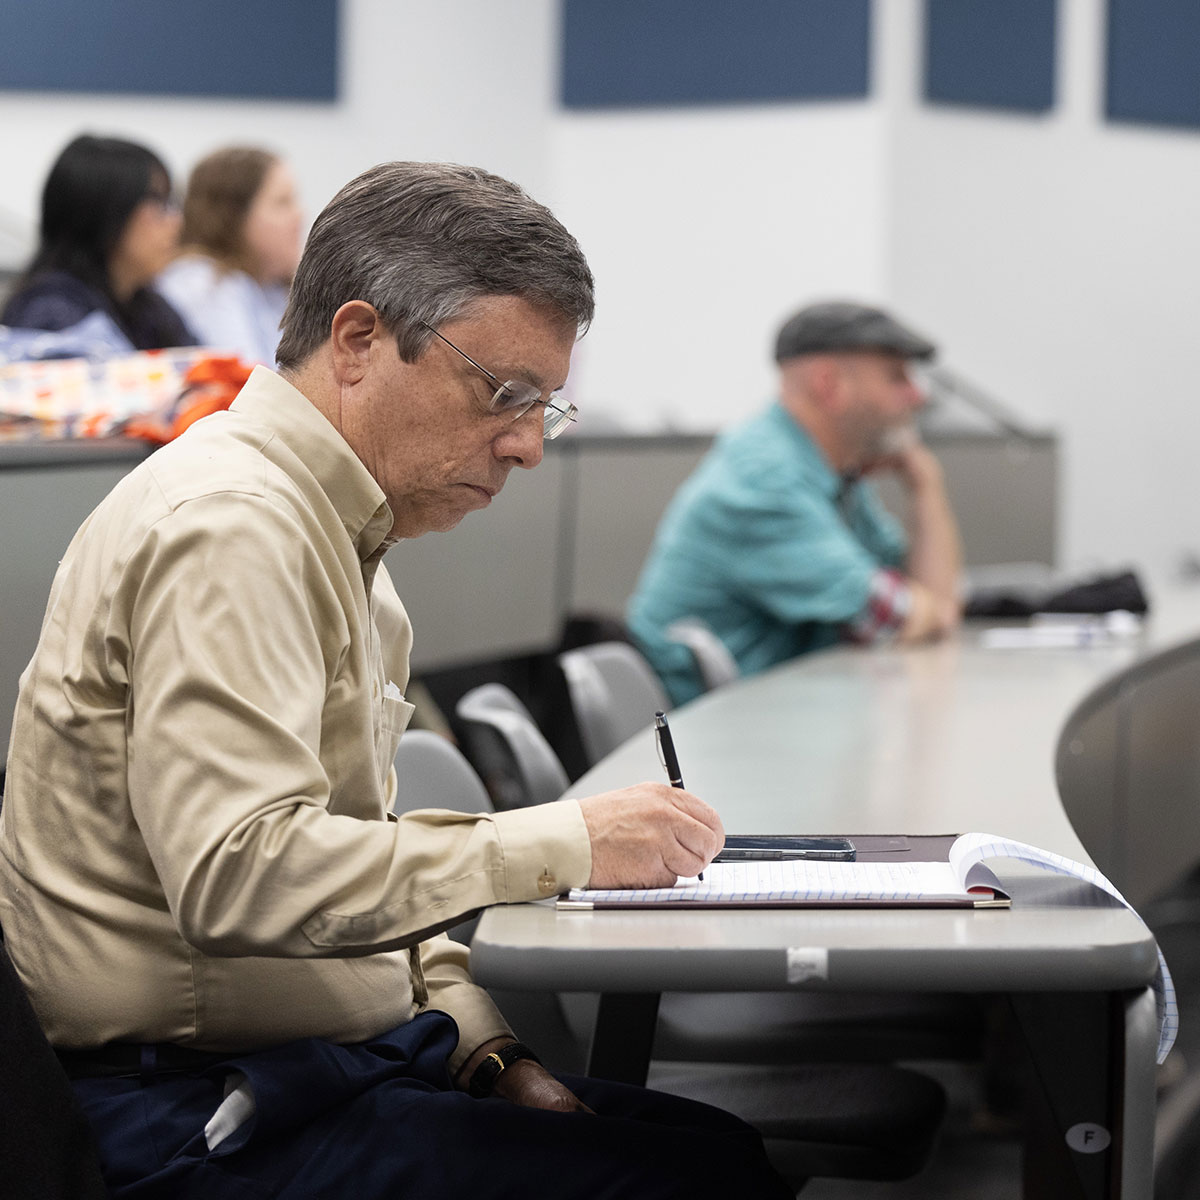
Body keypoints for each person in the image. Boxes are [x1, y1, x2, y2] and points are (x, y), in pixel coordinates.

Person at [0, 161, 791, 1199]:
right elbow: (243, 874)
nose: (525, 447)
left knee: (709, 1154)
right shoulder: (233, 526)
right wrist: (567, 841)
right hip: (188, 1111)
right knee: (703, 1174)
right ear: (361, 340)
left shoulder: (345, 553)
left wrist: (491, 1057)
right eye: (504, 394)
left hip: (316, 1066)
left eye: (544, 408)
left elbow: (363, 893)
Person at [627, 300, 963, 704]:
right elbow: (906, 617)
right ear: (829, 385)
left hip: (774, 723)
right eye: (897, 376)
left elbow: (932, 601)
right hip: (705, 742)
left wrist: (925, 484)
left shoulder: (829, 473)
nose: (917, 395)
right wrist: (930, 610)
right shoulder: (765, 483)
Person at [1, 134, 195, 351]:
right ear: (105, 212)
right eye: (159, 202)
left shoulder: (148, 307)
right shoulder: (51, 312)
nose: (177, 221)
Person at [157, 146, 304, 365]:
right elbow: (249, 389)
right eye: (282, 203)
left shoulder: (269, 286)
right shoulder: (204, 284)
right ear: (234, 217)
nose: (299, 216)